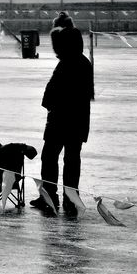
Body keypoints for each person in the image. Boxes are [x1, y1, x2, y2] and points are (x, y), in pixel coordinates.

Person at [30, 25, 93, 217]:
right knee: (72, 161)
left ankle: (49, 196)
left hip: (61, 119)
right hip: (78, 120)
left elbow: (53, 92)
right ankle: (70, 198)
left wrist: (48, 102)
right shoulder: (83, 62)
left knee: (49, 158)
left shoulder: (67, 63)